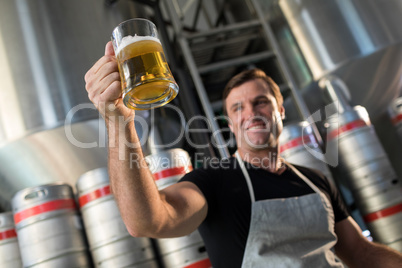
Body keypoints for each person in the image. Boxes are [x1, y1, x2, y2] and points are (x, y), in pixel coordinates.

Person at [85, 41, 402, 267]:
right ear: (231, 123)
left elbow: (361, 254)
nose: (250, 112)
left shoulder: (316, 179)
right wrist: (119, 123)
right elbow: (149, 221)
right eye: (238, 107)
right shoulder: (213, 179)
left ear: (279, 109)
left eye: (261, 101)